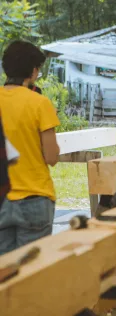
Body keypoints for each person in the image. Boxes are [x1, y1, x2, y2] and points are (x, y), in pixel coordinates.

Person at [0, 40, 60, 255]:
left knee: (3, 278)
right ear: (33, 71)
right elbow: (51, 156)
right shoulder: (39, 103)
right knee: (31, 276)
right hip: (34, 199)